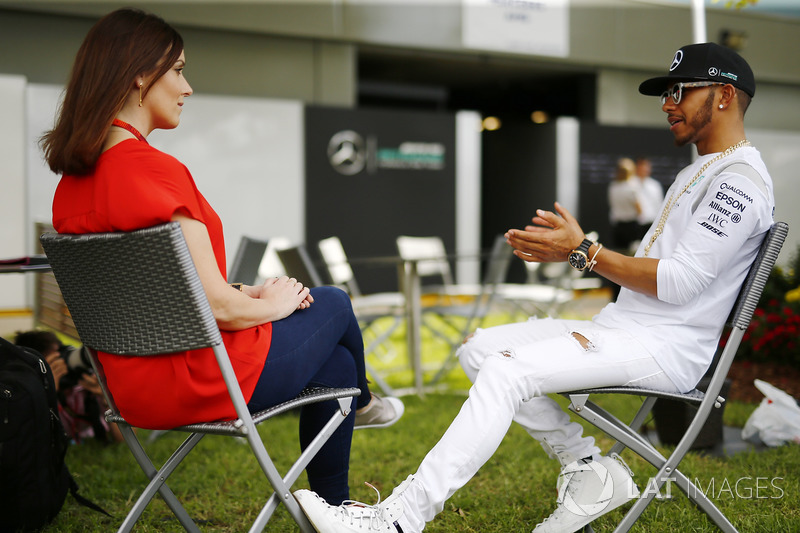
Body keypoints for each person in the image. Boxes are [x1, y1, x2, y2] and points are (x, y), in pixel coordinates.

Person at [294, 42, 774, 533]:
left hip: (666, 347)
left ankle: (398, 520)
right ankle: (590, 470)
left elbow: (680, 283)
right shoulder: (703, 168)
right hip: (630, 328)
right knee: (479, 349)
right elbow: (661, 269)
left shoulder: (738, 182)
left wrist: (583, 251)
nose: (668, 104)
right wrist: (576, 248)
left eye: (679, 91)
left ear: (723, 95)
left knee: (507, 372)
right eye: (665, 94)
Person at [40, 7, 403, 506]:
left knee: (338, 365)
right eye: (179, 70)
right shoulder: (156, 171)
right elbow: (219, 312)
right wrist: (272, 302)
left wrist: (241, 290)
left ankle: (335, 509)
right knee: (334, 303)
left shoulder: (70, 190)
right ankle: (363, 405)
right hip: (201, 380)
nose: (187, 88)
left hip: (130, 389)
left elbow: (161, 290)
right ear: (141, 74)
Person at [14, 330, 124, 443]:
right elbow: (32, 440)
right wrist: (48, 392)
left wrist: (107, 399)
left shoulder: (85, 384)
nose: (62, 363)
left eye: (61, 353)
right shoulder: (27, 394)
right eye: (53, 362)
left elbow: (123, 439)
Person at [607, 157, 641, 253]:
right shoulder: (632, 187)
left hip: (617, 225)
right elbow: (639, 209)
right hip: (631, 226)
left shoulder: (613, 187)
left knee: (619, 253)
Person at [633, 157, 664, 240]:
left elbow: (659, 205)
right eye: (642, 166)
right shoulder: (631, 184)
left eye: (647, 167)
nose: (644, 169)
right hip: (635, 224)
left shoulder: (655, 185)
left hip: (651, 224)